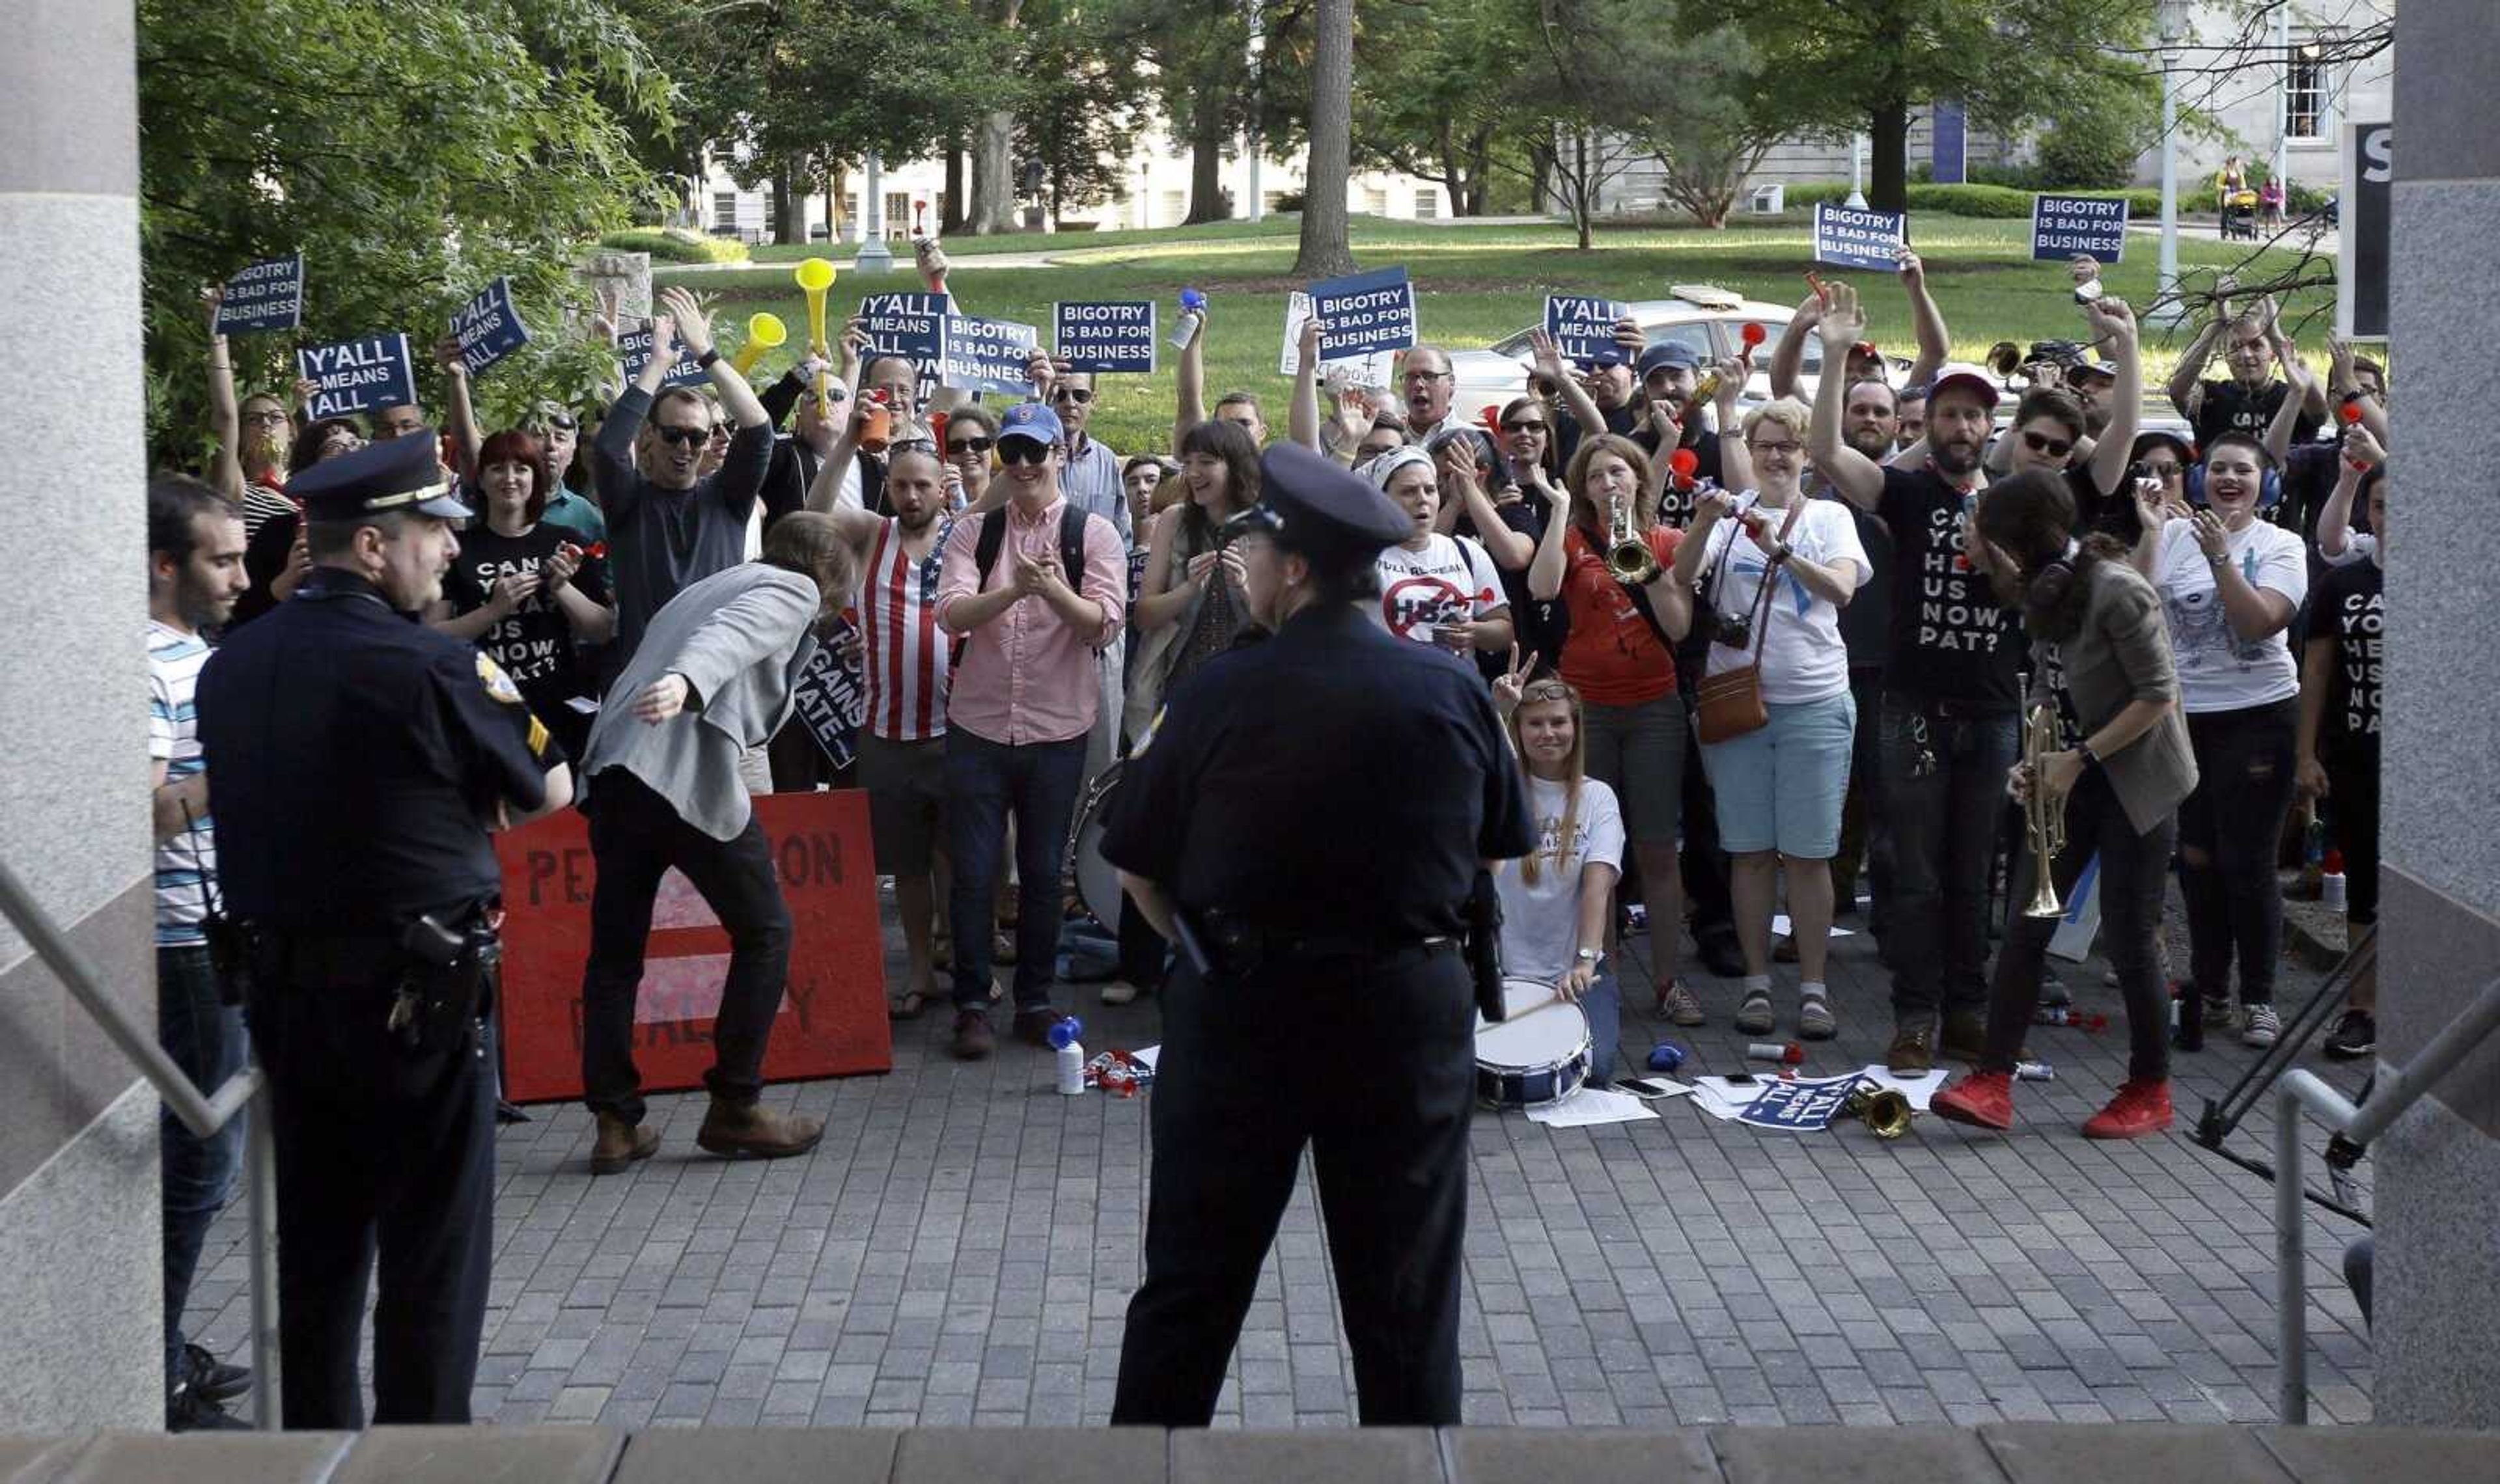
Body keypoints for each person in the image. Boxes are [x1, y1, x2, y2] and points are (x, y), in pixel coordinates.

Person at [1103, 443, 1532, 1427]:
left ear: (1294, 568)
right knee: (1407, 1302)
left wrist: (1209, 947)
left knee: (1192, 1291)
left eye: (1257, 556)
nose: (1247, 571)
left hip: (1245, 1009)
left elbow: (1135, 869)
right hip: (1406, 1011)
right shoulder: (1453, 689)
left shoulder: (1216, 692)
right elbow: (1497, 850)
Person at [195, 435, 572, 1429]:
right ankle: (420, 1461)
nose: (449, 551)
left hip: (284, 1001)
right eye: (433, 533)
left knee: (316, 1257)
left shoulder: (230, 666)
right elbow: (547, 787)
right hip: (415, 1011)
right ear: (371, 546)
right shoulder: (426, 665)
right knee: (430, 1262)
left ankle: (320, 1453)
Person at [574, 513, 857, 1172]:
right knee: (767, 932)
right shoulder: (793, 589)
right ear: (828, 576)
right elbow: (728, 639)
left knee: (615, 954)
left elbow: (713, 628)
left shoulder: (721, 578)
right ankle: (735, 1106)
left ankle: (615, 1123)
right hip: (678, 774)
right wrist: (688, 682)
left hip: (615, 771)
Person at [1932, 471, 2198, 1138]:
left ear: (2018, 544)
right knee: (2025, 925)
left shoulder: (2116, 589)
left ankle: (2149, 1087)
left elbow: (2158, 695)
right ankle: (1992, 1080)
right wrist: (2033, 759)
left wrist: (2077, 760)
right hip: (2073, 774)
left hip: (2135, 778)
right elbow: (2049, 686)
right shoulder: (2044, 592)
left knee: (2131, 939)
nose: (1977, 555)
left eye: (1987, 543)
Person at [1809, 284, 2023, 1073]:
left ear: (1990, 428)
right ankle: (1914, 1016)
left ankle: (1968, 1010)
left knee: (1976, 870)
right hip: (1914, 709)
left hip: (1994, 710)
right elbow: (1829, 456)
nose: (1961, 427)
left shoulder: (2016, 503)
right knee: (1915, 870)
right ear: (1925, 425)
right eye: (1948, 414)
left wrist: (1993, 554)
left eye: (1974, 416)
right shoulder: (1905, 492)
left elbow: (2030, 596)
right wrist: (1833, 354)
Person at [933, 401, 1128, 1059]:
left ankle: (1035, 1002)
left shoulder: (1092, 533)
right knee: (975, 872)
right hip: (979, 727)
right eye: (1009, 453)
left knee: (1045, 873)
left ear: (1058, 456)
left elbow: (1103, 623)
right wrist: (1014, 591)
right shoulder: (975, 534)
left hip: (1055, 728)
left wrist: (1050, 591)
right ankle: (970, 1003)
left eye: (1032, 453)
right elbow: (952, 616)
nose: (1019, 465)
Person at [1672, 399, 1868, 1039]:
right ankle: (1757, 987)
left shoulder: (1830, 516)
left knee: (1808, 856)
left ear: (1808, 455)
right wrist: (1704, 521)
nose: (1777, 456)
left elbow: (1841, 590)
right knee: (1750, 854)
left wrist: (1781, 551)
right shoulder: (1730, 517)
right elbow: (1680, 574)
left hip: (1813, 701)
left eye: (1789, 445)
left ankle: (1813, 990)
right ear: (1749, 453)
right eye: (1765, 446)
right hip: (1739, 705)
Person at [2130, 432, 2309, 1047]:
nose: (2230, 480)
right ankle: (2209, 990)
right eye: (2220, 470)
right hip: (2187, 718)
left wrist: (2221, 558)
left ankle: (2258, 997)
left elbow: (2259, 622)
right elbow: (2136, 607)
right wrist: (2152, 530)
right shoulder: (2177, 534)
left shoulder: (2280, 544)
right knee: (2198, 861)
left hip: (2258, 716)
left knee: (2248, 863)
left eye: (2244, 471)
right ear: (2203, 479)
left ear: (2267, 485)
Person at [146, 474, 256, 1431]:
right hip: (179, 941)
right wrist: (245, 762)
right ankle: (155, 1368)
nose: (240, 573)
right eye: (222, 559)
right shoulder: (147, 661)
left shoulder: (191, 650)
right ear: (164, 566)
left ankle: (163, 1342)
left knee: (210, 1155)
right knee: (202, 1159)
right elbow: (145, 809)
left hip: (213, 928)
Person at [1524, 433, 1700, 1020]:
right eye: (1597, 477)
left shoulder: (1666, 540)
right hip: (1589, 710)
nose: (1609, 485)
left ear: (1638, 481)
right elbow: (1541, 588)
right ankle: (1601, 973)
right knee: (1589, 849)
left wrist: (1646, 567)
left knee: (1655, 846)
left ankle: (1670, 980)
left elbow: (1676, 628)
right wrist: (1556, 513)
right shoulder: (1573, 541)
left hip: (1653, 707)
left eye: (1618, 474)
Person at [806, 441, 957, 1020]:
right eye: (902, 485)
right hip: (885, 731)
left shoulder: (964, 534)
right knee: (909, 863)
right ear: (888, 488)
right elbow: (816, 513)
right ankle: (919, 968)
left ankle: (963, 964)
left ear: (943, 489)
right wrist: (845, 443)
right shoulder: (873, 535)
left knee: (958, 857)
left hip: (955, 728)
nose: (912, 495)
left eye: (923, 485)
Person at [590, 284, 776, 661]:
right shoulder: (629, 501)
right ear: (651, 435)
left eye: (696, 437)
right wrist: (658, 362)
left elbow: (759, 430)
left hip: (711, 676)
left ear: (709, 441)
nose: (685, 448)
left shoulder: (728, 499)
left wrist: (706, 354)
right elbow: (609, 447)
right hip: (643, 679)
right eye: (673, 436)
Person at [431, 429, 615, 763]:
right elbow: (431, 636)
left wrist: (561, 588)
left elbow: (602, 629)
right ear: (482, 480)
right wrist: (493, 611)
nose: (510, 478)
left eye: (522, 469)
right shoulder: (458, 550)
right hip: (487, 710)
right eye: (498, 468)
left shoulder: (565, 541)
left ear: (536, 478)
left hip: (561, 707)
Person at [1490, 665, 1625, 1086]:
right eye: (1534, 723)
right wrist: (1497, 712)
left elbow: (1597, 887)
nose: (1548, 733)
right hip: (1505, 975)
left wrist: (1584, 962)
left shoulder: (1598, 797)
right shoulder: (1499, 791)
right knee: (1517, 1079)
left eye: (1558, 722)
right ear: (1520, 729)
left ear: (1575, 727)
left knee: (1593, 1070)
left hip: (1574, 978)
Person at [2298, 456, 2387, 1060]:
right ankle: (2364, 1009)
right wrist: (2305, 753)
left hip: (2433, 773)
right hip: (2357, 755)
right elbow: (2319, 671)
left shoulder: (2456, 579)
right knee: (2363, 886)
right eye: (2382, 505)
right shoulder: (2343, 582)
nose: (2394, 516)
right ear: (2368, 512)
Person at [1368, 446, 1514, 657]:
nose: (1423, 499)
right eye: (1409, 491)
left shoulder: (1466, 551)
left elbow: (1504, 632)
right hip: (1387, 685)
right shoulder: (1365, 556)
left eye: (1430, 490)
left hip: (1452, 684)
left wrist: (1475, 632)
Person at [2167, 291, 2325, 451]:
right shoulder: (2209, 397)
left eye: (2256, 345)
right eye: (2236, 347)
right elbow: (2178, 391)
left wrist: (2276, 335)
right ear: (2225, 354)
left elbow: (2320, 412)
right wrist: (2216, 325)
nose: (2246, 354)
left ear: (2273, 353)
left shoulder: (2294, 397)